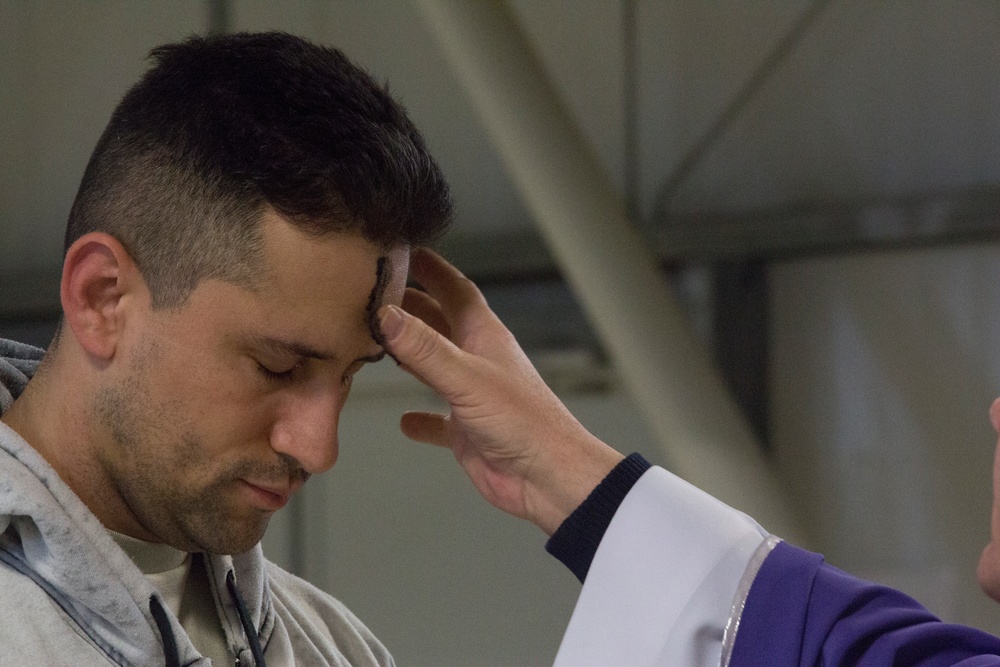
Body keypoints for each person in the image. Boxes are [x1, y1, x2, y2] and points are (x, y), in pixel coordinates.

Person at [0, 31, 451, 666]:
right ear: (101, 298)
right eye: (279, 366)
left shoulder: (337, 649)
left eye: (350, 374)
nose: (320, 448)